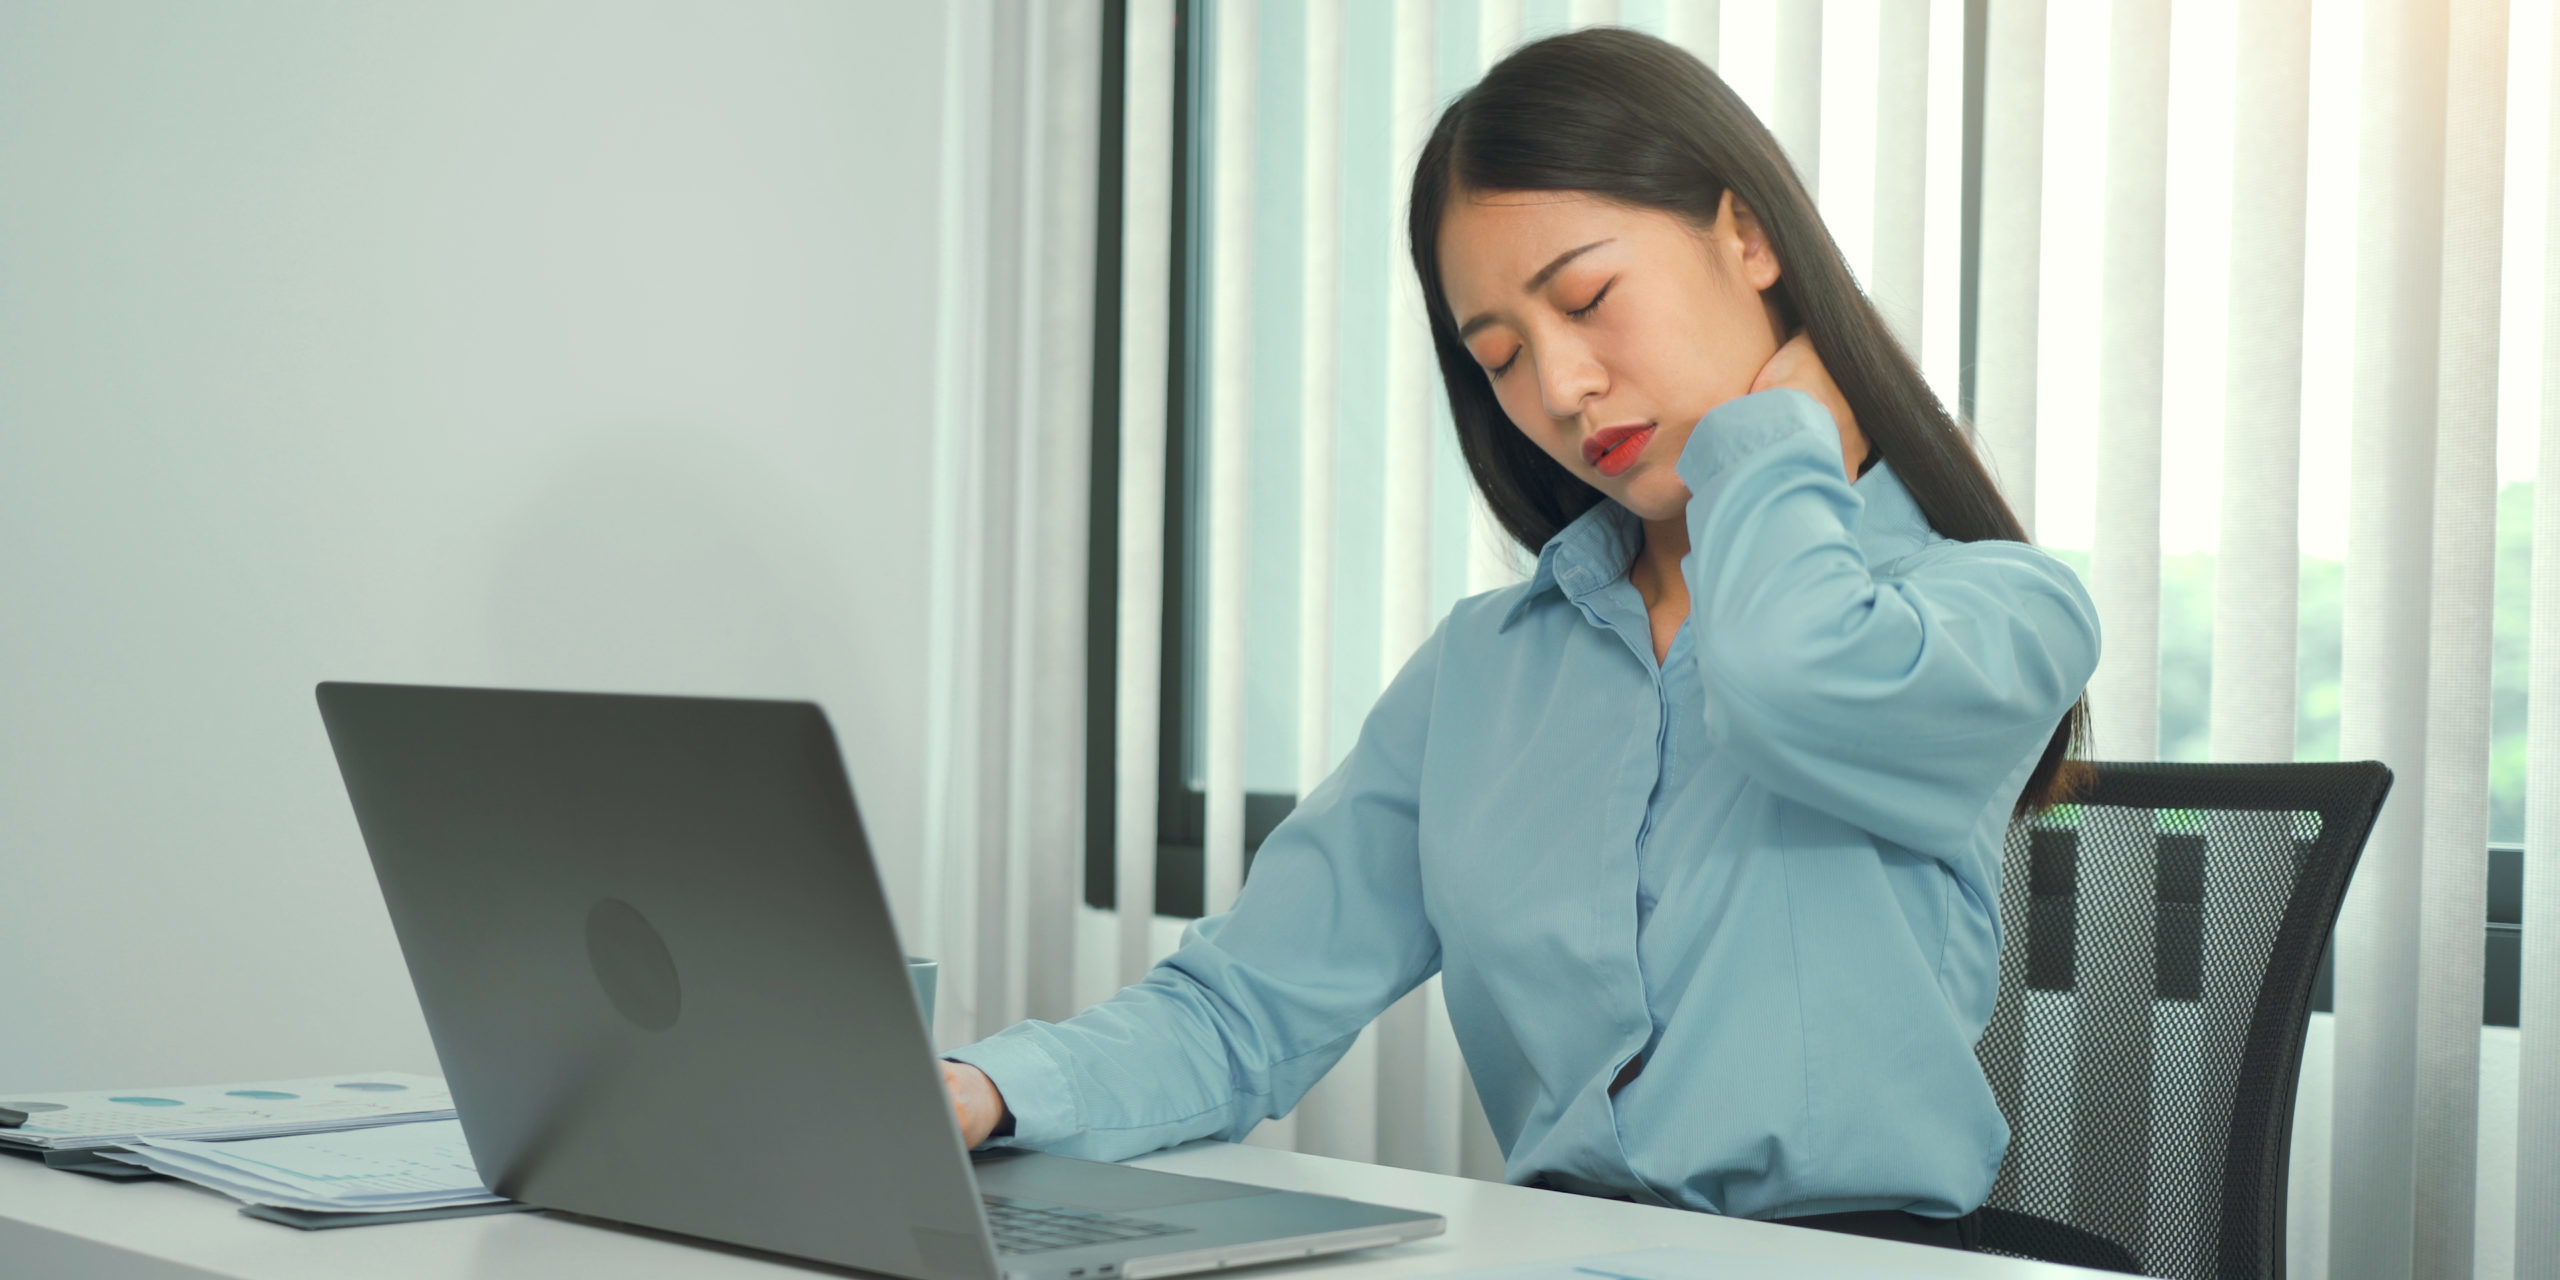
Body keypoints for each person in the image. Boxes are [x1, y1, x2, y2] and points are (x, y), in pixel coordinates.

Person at [939, 27, 2099, 1253]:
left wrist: (1779, 432)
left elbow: (1782, 677)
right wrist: (986, 1089)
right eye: (1497, 355)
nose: (1557, 387)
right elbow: (1244, 1010)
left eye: (1588, 299)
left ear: (1747, 237)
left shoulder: (1999, 612)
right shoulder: (1483, 670)